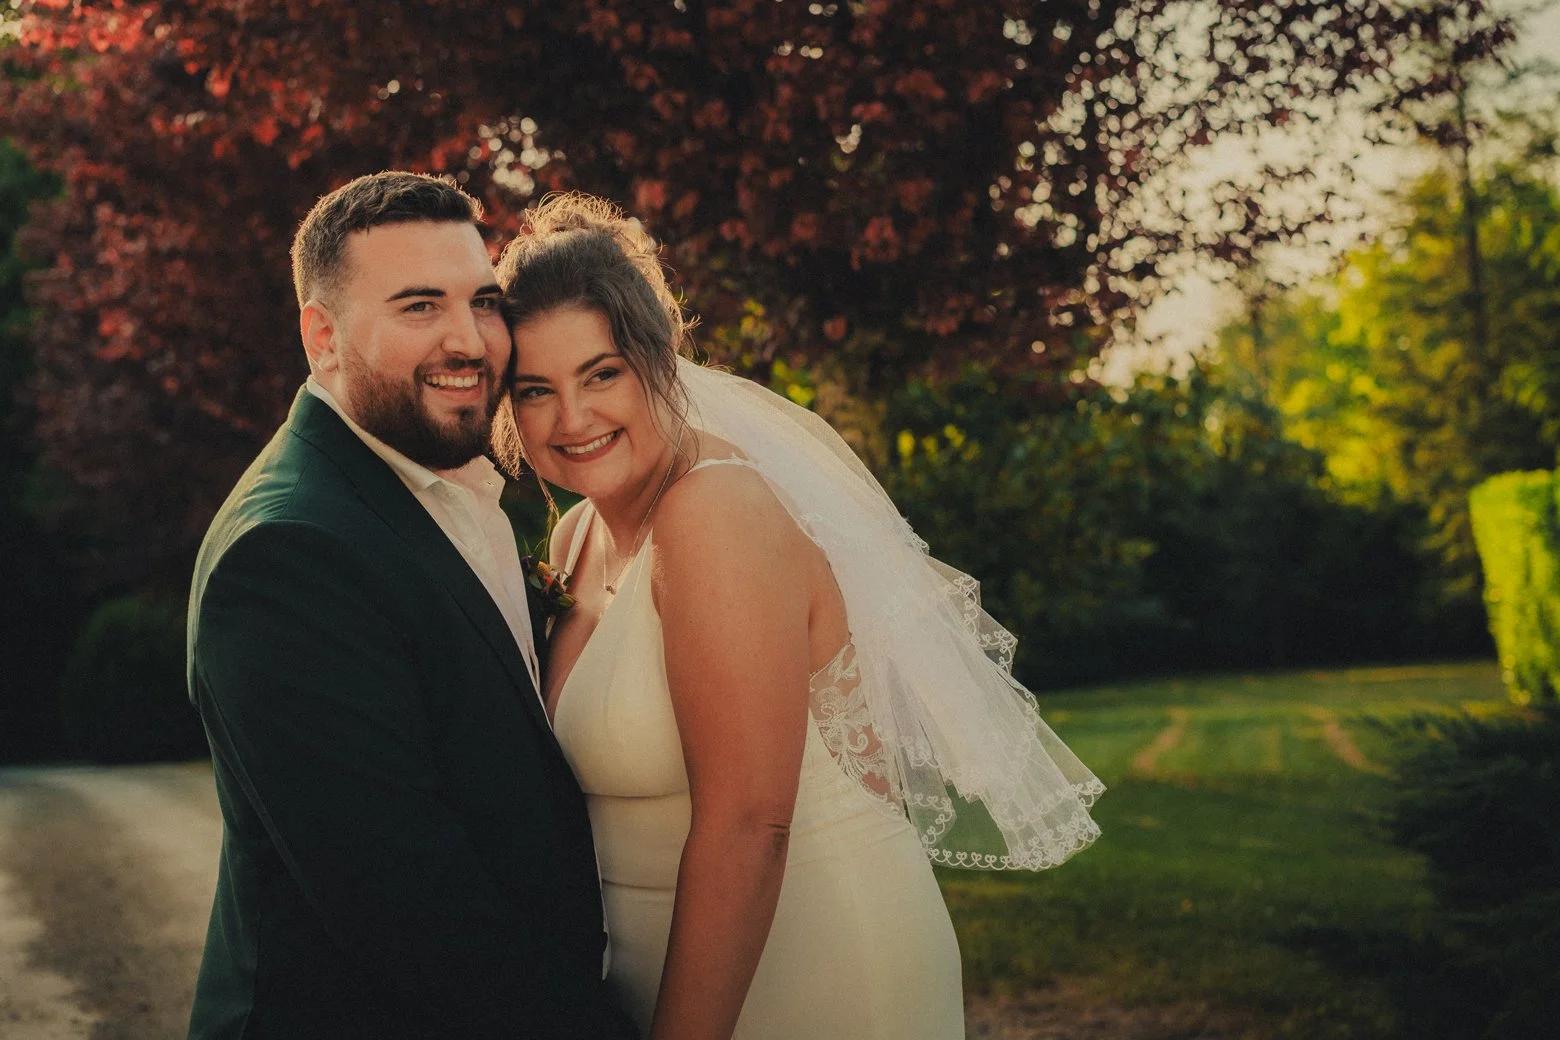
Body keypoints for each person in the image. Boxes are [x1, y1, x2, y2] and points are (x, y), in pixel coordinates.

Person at [492, 193, 1105, 1040]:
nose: (573, 419)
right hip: (650, 972)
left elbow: (751, 825)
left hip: (806, 965)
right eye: (535, 390)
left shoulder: (716, 511)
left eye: (603, 373)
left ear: (663, 356)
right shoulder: (573, 539)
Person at [185, 172, 635, 1040]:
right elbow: (411, 903)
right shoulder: (289, 556)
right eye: (419, 307)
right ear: (322, 336)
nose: (468, 341)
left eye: (483, 301)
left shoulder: (433, 481)